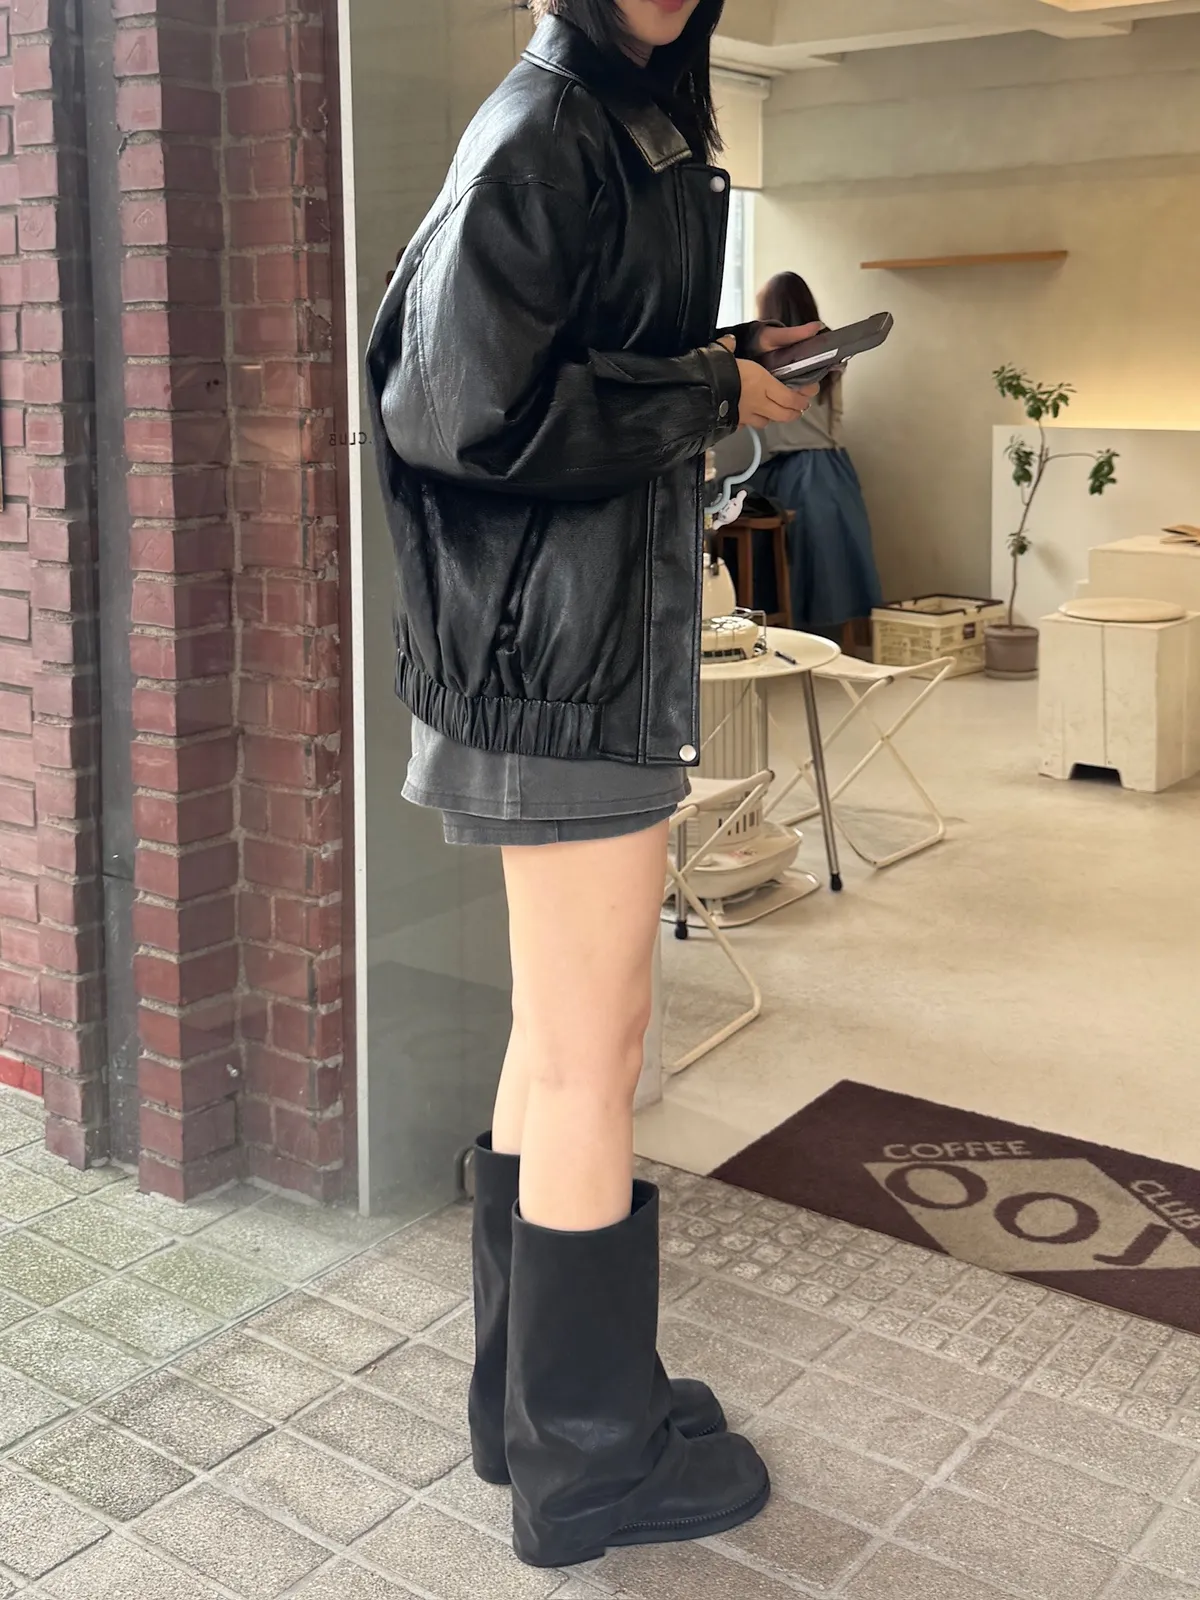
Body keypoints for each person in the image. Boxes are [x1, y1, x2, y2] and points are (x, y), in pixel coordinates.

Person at [365, 0, 821, 1572]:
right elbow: (455, 410)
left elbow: (558, 369)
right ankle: (586, 1469)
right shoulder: (549, 128)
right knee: (587, 1059)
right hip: (555, 673)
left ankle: (539, 1411)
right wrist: (707, 393)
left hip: (562, 661)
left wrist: (714, 371)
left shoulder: (613, 119)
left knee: (557, 1045)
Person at [714, 271, 883, 645]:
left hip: (798, 469)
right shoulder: (831, 351)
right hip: (824, 466)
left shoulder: (769, 359)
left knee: (803, 553)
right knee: (831, 557)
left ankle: (767, 628)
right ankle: (825, 639)